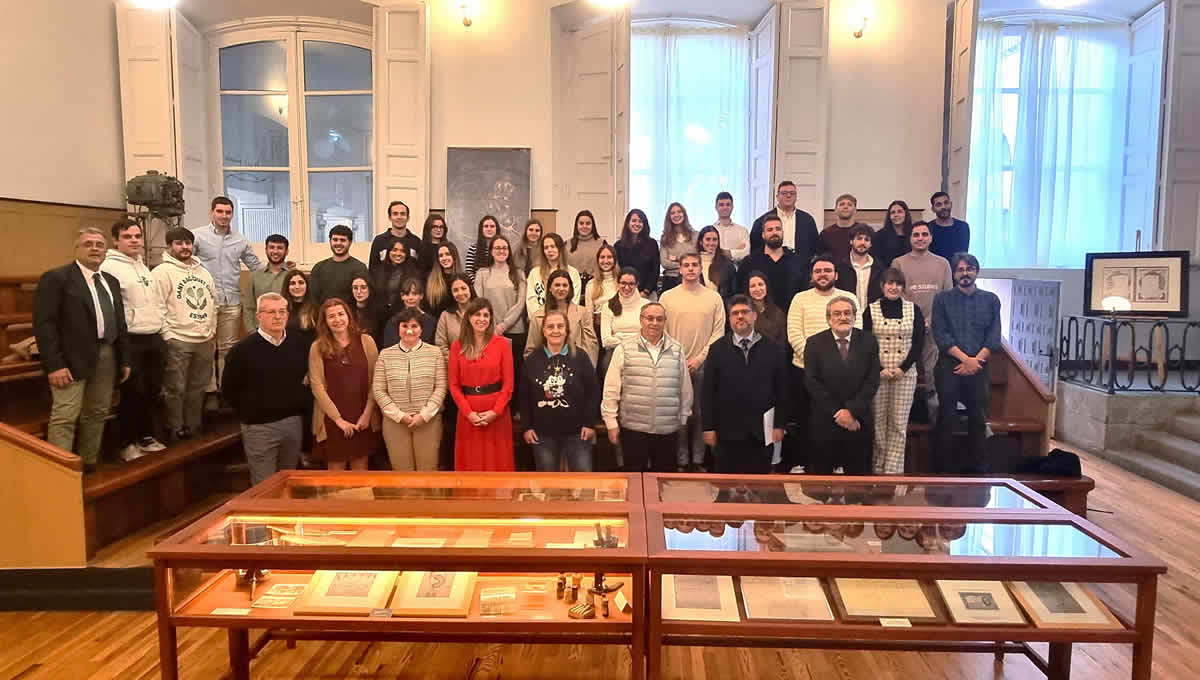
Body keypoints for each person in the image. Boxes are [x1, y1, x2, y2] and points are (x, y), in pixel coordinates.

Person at [34, 228, 131, 470]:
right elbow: (45, 325)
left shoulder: (110, 281)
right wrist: (54, 364)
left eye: (100, 244)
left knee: (97, 412)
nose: (95, 248)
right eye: (88, 244)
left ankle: (88, 463)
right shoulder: (57, 278)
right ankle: (59, 472)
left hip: (107, 354)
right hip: (70, 358)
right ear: (76, 249)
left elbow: (120, 323)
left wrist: (125, 359)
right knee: (66, 416)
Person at [221, 293, 309, 485]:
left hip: (292, 423)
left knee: (289, 482)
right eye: (271, 312)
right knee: (264, 486)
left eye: (281, 312)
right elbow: (229, 390)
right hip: (260, 428)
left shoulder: (300, 344)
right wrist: (252, 411)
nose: (277, 316)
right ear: (259, 316)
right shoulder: (241, 351)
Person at [100, 220, 166, 461]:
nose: (135, 240)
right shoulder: (109, 267)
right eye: (128, 237)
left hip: (153, 336)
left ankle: (145, 436)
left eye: (138, 236)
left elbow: (155, 301)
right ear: (116, 240)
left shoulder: (142, 266)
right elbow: (114, 309)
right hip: (130, 339)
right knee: (133, 393)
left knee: (152, 390)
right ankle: (127, 442)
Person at [701, 295, 790, 474]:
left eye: (745, 312)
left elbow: (782, 390)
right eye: (735, 313)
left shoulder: (772, 348)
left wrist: (780, 425)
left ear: (754, 315)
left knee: (761, 489)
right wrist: (708, 427)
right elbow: (708, 391)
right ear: (729, 318)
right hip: (727, 432)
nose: (740, 316)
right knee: (725, 491)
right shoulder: (717, 349)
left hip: (762, 432)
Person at [601, 303, 692, 472]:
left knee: (663, 485)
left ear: (665, 321)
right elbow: (611, 389)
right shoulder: (624, 349)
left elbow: (685, 388)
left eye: (659, 319)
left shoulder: (677, 350)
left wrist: (684, 417)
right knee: (634, 481)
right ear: (641, 320)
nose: (654, 323)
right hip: (634, 429)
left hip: (667, 429)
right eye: (649, 318)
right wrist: (610, 422)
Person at [932, 253, 1001, 474]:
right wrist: (965, 360)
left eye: (969, 269)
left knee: (978, 418)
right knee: (946, 416)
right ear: (954, 274)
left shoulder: (990, 299)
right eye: (960, 270)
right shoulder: (942, 299)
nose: (965, 273)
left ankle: (978, 469)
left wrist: (975, 361)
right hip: (949, 365)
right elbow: (941, 335)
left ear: (976, 272)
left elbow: (994, 336)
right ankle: (943, 470)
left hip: (979, 366)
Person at [785, 254, 854, 473]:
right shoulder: (800, 298)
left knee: (836, 417)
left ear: (836, 274)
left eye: (827, 270)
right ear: (812, 275)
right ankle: (801, 462)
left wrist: (832, 364)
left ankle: (837, 463)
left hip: (840, 372)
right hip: (804, 370)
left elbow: (856, 329)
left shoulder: (848, 297)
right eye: (818, 271)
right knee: (804, 419)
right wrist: (817, 363)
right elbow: (794, 333)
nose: (822, 274)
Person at [660, 253, 726, 471]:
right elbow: (663, 331)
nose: (690, 269)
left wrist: (699, 358)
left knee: (700, 413)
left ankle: (697, 461)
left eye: (694, 265)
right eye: (686, 265)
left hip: (704, 364)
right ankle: (681, 461)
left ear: (700, 269)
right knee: (678, 415)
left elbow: (718, 333)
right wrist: (679, 359)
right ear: (679, 269)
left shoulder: (713, 297)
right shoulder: (667, 297)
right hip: (674, 363)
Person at [191, 196, 264, 393]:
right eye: (220, 211)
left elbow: (256, 266)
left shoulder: (239, 240)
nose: (224, 216)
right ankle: (209, 390)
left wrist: (282, 269)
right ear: (212, 212)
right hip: (204, 302)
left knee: (227, 348)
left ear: (232, 214)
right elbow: (184, 261)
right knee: (207, 349)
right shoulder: (197, 236)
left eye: (228, 212)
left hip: (231, 300)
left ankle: (225, 389)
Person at [152, 227, 217, 442]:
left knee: (198, 388)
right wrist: (167, 335)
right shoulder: (162, 272)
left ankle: (193, 426)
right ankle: (175, 428)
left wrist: (211, 329)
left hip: (204, 338)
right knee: (175, 389)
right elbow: (157, 306)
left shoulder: (203, 272)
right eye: (179, 243)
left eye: (188, 243)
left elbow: (212, 304)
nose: (185, 247)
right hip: (178, 339)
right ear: (169, 246)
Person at [804, 295, 881, 474]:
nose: (843, 317)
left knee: (859, 488)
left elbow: (872, 380)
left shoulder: (869, 341)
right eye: (837, 314)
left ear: (855, 317)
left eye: (847, 313)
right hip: (825, 421)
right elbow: (812, 381)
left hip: (858, 421)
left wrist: (851, 412)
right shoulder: (814, 343)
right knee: (822, 487)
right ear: (828, 319)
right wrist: (838, 413)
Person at [521, 309, 601, 471]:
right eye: (550, 327)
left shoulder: (580, 356)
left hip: (578, 432)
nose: (555, 330)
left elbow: (593, 392)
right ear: (543, 331)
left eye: (560, 326)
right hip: (543, 434)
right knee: (549, 487)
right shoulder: (532, 360)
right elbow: (524, 396)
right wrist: (527, 427)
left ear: (567, 330)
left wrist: (589, 423)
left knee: (583, 485)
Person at [862, 268, 925, 474]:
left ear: (902, 287)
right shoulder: (870, 310)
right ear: (882, 286)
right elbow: (865, 343)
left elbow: (918, 343)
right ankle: (877, 466)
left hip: (904, 375)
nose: (893, 287)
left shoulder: (913, 309)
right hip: (877, 374)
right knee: (878, 421)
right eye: (889, 283)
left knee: (898, 423)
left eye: (897, 283)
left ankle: (893, 470)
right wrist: (878, 369)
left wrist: (903, 368)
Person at [309, 298, 381, 471]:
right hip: (332, 419)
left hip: (362, 416)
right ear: (325, 321)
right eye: (331, 316)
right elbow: (317, 386)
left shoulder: (366, 341)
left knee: (360, 472)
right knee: (336, 474)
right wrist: (338, 420)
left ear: (348, 316)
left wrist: (367, 414)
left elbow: (376, 381)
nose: (337, 319)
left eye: (341, 314)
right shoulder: (317, 347)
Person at [374, 307, 447, 471]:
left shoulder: (435, 353)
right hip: (395, 423)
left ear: (421, 329)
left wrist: (424, 415)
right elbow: (378, 390)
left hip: (428, 422)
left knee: (427, 473)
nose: (409, 330)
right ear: (398, 328)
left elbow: (441, 387)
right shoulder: (385, 355)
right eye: (404, 325)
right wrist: (400, 416)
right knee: (402, 474)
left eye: (414, 326)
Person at [448, 298, 515, 470]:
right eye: (477, 314)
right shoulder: (457, 346)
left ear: (491, 320)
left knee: (498, 463)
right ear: (469, 318)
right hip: (469, 414)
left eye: (486, 315)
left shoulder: (502, 345)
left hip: (496, 414)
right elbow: (454, 385)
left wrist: (495, 411)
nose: (482, 319)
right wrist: (468, 412)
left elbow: (508, 385)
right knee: (471, 462)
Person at [892, 222, 953, 395]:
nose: (920, 238)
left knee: (932, 370)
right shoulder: (899, 263)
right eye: (916, 235)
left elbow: (946, 296)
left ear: (931, 238)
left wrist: (930, 321)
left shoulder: (943, 264)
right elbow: (896, 293)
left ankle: (934, 412)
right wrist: (917, 320)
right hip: (906, 324)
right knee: (902, 367)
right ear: (910, 238)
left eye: (924, 234)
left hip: (935, 326)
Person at [474, 235, 528, 388]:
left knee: (514, 373)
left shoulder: (518, 273)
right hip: (489, 331)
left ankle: (514, 409)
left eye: (504, 248)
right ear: (491, 251)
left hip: (515, 331)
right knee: (493, 373)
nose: (501, 251)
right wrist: (493, 326)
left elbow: (520, 303)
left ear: (509, 251)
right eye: (497, 248)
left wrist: (503, 325)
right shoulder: (482, 274)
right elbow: (479, 302)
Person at [526, 269, 599, 366]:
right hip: (547, 370)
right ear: (550, 288)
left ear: (570, 288)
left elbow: (591, 346)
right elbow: (531, 351)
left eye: (565, 285)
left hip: (577, 368)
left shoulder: (582, 313)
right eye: (557, 285)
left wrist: (586, 371)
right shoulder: (537, 316)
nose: (561, 289)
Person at [739, 216, 803, 313]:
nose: (774, 232)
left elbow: (803, 292)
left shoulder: (797, 261)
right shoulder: (749, 262)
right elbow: (741, 294)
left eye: (778, 229)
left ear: (782, 233)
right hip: (758, 319)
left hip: (792, 317)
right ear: (763, 235)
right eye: (770, 230)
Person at [749, 180, 819, 261]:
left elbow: (815, 246)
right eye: (784, 193)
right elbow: (754, 248)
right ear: (777, 196)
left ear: (796, 196)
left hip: (800, 267)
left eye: (792, 193)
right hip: (770, 265)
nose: (788, 196)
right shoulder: (761, 221)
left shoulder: (807, 220)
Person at [526, 233, 582, 317]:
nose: (549, 250)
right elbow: (531, 300)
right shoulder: (534, 273)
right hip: (540, 320)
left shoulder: (573, 273)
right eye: (546, 248)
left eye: (553, 246)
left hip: (565, 321)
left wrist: (561, 319)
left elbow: (574, 300)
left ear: (560, 248)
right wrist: (541, 319)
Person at [310, 225, 368, 305]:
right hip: (324, 315)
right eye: (335, 240)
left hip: (350, 315)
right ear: (330, 241)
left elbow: (362, 299)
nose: (338, 243)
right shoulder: (319, 268)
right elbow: (313, 298)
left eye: (343, 240)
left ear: (350, 242)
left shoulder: (359, 268)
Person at [244, 234, 290, 330]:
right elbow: (249, 307)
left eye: (280, 248)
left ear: (286, 251)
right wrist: (252, 332)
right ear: (266, 250)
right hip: (260, 331)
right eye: (271, 247)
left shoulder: (293, 276)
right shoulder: (254, 276)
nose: (275, 251)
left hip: (287, 330)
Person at [835, 224, 883, 310]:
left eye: (867, 240)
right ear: (851, 241)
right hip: (847, 316)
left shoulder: (880, 268)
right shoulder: (840, 267)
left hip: (873, 317)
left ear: (871, 244)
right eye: (859, 238)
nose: (862, 243)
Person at [614, 209, 660, 298]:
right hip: (625, 292)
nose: (637, 224)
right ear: (628, 223)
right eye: (634, 221)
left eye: (640, 221)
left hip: (647, 293)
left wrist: (646, 291)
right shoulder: (618, 246)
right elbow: (616, 271)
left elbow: (655, 270)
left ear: (644, 224)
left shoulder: (652, 244)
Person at [370, 200, 423, 275]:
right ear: (390, 217)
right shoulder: (379, 241)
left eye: (403, 214)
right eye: (395, 214)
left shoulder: (416, 241)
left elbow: (420, 269)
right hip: (383, 286)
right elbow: (373, 269)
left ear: (408, 218)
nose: (399, 217)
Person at [382, 278, 438, 346]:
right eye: (406, 294)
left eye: (414, 294)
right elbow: (388, 346)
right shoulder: (393, 321)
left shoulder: (431, 321)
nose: (410, 298)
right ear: (402, 296)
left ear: (421, 296)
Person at [818, 193, 872, 263]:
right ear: (835, 209)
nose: (845, 207)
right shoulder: (825, 233)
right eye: (842, 204)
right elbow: (821, 258)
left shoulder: (865, 231)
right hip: (835, 272)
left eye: (849, 204)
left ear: (855, 210)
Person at [373, 239, 419, 319]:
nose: (398, 254)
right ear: (388, 252)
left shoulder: (414, 273)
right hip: (380, 316)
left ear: (407, 254)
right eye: (394, 250)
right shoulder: (378, 271)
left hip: (405, 316)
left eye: (402, 251)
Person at [436, 274, 477, 360]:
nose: (460, 293)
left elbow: (492, 339)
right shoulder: (445, 316)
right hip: (455, 366)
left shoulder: (482, 311)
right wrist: (457, 361)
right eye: (455, 290)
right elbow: (441, 345)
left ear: (470, 288)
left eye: (463, 288)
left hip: (481, 365)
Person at [659, 202, 697, 293]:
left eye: (679, 212)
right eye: (672, 213)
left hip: (691, 281)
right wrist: (688, 264)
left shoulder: (695, 236)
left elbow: (697, 260)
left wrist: (675, 258)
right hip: (670, 280)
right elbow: (664, 263)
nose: (676, 215)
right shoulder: (665, 238)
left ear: (684, 214)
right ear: (669, 217)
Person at [745, 271, 787, 344]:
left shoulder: (778, 313)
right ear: (748, 290)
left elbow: (782, 341)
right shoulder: (744, 312)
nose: (757, 289)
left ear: (766, 287)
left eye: (760, 284)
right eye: (753, 286)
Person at [696, 226, 737, 299]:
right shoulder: (692, 262)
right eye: (708, 239)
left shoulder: (727, 264)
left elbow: (733, 292)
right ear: (701, 242)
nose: (711, 243)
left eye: (714, 240)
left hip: (721, 306)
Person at [282, 269, 319, 348]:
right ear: (287, 287)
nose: (297, 287)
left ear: (307, 285)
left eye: (301, 282)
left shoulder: (316, 309)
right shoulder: (281, 309)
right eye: (292, 283)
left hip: (309, 354)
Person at [426, 241, 465, 315]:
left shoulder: (463, 279)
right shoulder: (430, 279)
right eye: (440, 256)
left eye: (448, 254)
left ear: (454, 256)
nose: (444, 258)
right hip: (437, 323)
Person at [929, 191, 970, 260]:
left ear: (951, 204)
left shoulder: (963, 227)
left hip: (956, 269)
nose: (943, 207)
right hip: (935, 269)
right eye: (939, 205)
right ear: (933, 209)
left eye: (946, 203)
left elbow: (964, 254)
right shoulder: (928, 228)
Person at [711, 191, 750, 262]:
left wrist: (719, 251)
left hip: (736, 271)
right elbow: (708, 254)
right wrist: (735, 250)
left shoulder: (742, 230)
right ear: (716, 207)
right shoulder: (710, 230)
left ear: (732, 207)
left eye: (728, 204)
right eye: (721, 205)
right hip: (714, 271)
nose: (725, 207)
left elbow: (746, 252)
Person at [568, 209, 606, 280]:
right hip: (573, 285)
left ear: (593, 225)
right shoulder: (567, 245)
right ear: (576, 225)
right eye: (581, 223)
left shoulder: (602, 244)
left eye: (588, 223)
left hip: (596, 284)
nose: (584, 226)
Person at [874, 200, 913, 267]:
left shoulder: (913, 234)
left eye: (900, 212)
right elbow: (877, 260)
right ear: (889, 216)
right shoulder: (880, 235)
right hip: (887, 274)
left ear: (906, 214)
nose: (896, 215)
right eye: (893, 212)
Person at [349, 275, 384, 347]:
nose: (359, 292)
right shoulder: (347, 310)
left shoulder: (380, 312)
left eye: (363, 288)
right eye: (355, 288)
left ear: (370, 289)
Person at [465, 214, 500, 280]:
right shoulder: (473, 249)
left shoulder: (502, 249)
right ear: (481, 229)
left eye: (492, 226)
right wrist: (479, 284)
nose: (489, 229)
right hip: (477, 287)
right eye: (486, 226)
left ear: (496, 229)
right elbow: (468, 272)